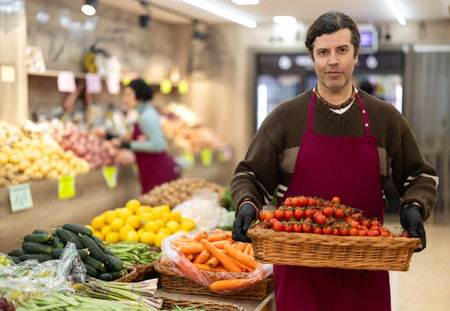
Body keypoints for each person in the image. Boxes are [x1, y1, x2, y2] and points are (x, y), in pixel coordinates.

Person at [230, 11, 438, 311]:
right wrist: (247, 205)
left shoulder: (386, 118)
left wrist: (415, 206)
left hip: (365, 266)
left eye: (342, 50)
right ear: (312, 58)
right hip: (299, 270)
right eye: (323, 52)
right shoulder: (285, 117)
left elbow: (420, 176)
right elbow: (249, 174)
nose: (333, 61)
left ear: (356, 55)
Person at [121, 78, 179, 194]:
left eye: (128, 95)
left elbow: (158, 145)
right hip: (153, 170)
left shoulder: (146, 116)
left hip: (157, 172)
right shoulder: (145, 112)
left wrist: (129, 145)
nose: (125, 99)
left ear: (140, 95)